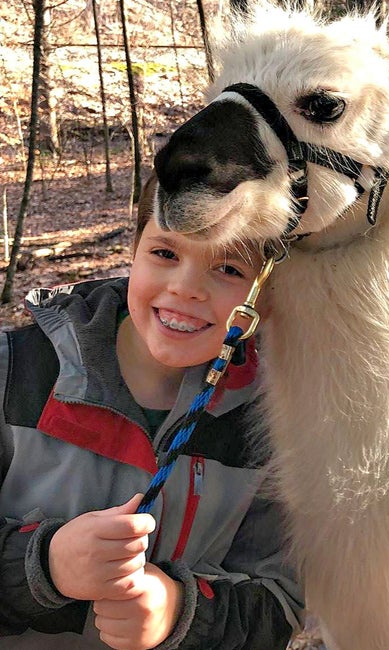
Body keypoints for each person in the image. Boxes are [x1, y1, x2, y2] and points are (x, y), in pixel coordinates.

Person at [0, 173, 304, 649]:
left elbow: (280, 607)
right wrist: (45, 565)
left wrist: (179, 612)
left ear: (264, 295)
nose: (186, 288)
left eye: (228, 269)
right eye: (165, 253)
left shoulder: (271, 425)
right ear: (134, 248)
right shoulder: (16, 373)